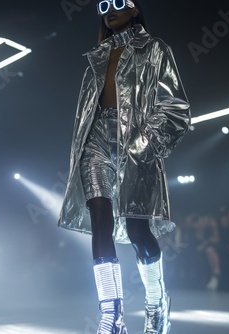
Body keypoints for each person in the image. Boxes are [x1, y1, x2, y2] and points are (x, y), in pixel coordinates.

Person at [58, 0, 191, 332]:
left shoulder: (156, 48)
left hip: (136, 141)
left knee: (137, 231)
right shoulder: (96, 58)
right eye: (104, 5)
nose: (110, 9)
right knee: (100, 217)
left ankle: (156, 302)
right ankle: (111, 314)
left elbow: (175, 107)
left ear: (135, 9)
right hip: (97, 140)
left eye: (119, 2)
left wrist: (142, 142)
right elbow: (85, 113)